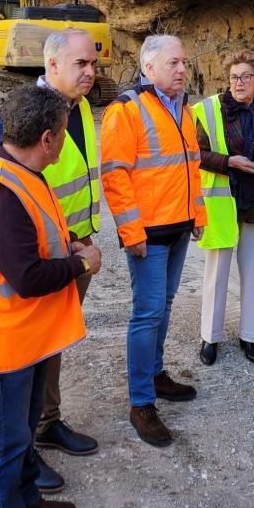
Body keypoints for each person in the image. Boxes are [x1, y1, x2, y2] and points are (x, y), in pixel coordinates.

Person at [0, 85, 102, 508]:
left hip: (24, 335)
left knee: (22, 432)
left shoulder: (19, 168)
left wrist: (70, 244)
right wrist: (82, 265)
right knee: (5, 443)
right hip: (2, 341)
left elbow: (41, 237)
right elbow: (28, 277)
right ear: (47, 139)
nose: (66, 141)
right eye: (64, 133)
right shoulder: (1, 194)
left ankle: (28, 502)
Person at [100, 34, 206, 447]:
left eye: (184, 63)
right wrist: (131, 232)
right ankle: (141, 403)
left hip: (177, 227)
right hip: (148, 234)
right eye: (174, 63)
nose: (183, 69)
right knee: (146, 312)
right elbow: (115, 174)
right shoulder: (125, 110)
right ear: (149, 68)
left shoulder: (184, 110)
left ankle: (156, 374)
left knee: (162, 305)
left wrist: (197, 214)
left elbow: (191, 166)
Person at [29, 30, 103, 488]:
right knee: (34, 348)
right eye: (80, 63)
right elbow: (18, 186)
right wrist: (71, 242)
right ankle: (26, 441)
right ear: (52, 64)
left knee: (53, 342)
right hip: (50, 254)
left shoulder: (79, 108)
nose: (90, 71)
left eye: (93, 63)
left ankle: (46, 421)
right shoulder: (30, 113)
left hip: (76, 247)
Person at [195, 49, 254, 366]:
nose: (238, 82)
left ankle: (250, 336)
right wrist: (228, 162)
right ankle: (210, 337)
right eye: (234, 77)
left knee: (252, 272)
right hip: (223, 201)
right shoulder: (208, 109)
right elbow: (196, 154)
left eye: (246, 77)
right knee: (216, 273)